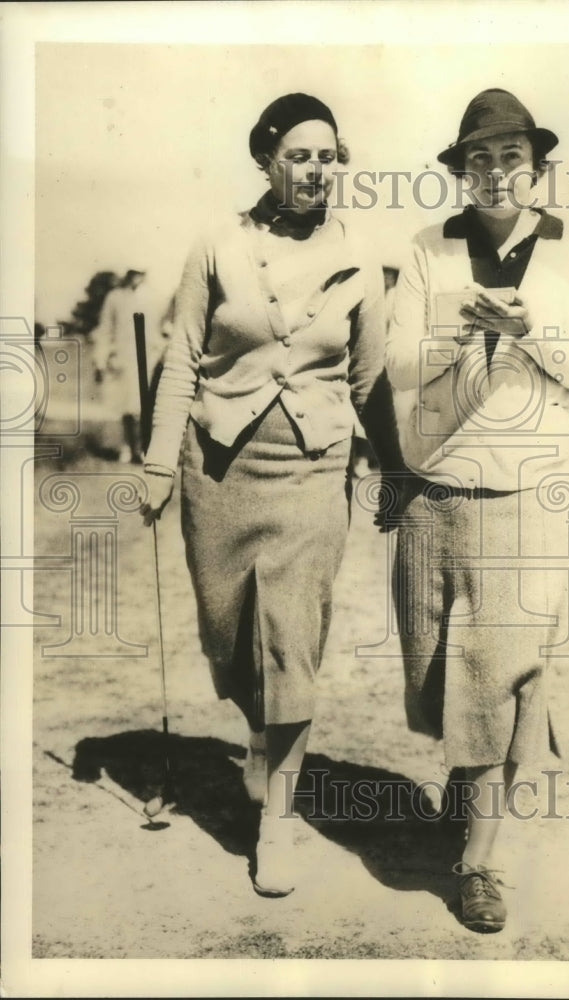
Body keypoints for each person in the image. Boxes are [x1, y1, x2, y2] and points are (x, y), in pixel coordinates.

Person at [139, 93, 399, 898]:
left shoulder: (361, 260)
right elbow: (181, 358)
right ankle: (257, 739)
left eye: (327, 157)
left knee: (290, 640)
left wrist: (387, 469)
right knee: (231, 638)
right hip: (216, 465)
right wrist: (156, 463)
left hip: (315, 469)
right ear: (266, 159)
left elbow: (369, 380)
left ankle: (275, 823)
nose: (315, 171)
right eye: (299, 155)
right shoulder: (217, 244)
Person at [385, 88, 569, 933]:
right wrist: (459, 333)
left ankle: (480, 862)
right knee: (438, 671)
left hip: (527, 490)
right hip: (434, 484)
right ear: (460, 171)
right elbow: (400, 367)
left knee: (503, 672)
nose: (494, 172)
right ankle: (470, 779)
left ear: (537, 167)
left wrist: (529, 325)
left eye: (510, 157)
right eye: (477, 159)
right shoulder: (424, 247)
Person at [91, 268, 152, 463]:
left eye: (140, 273)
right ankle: (127, 447)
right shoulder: (115, 297)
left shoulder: (153, 297)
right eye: (133, 273)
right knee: (125, 407)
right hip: (122, 359)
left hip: (149, 358)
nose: (136, 277)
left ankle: (145, 449)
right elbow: (105, 328)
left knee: (145, 408)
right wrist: (101, 359)